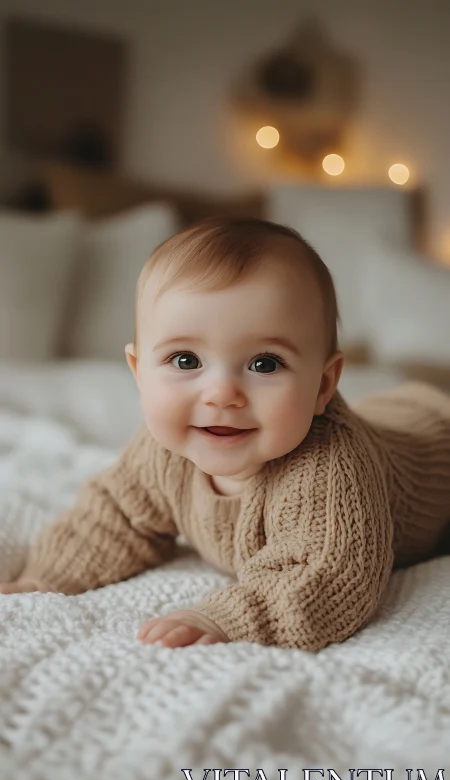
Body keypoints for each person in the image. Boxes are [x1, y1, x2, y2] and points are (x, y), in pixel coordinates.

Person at [1, 218, 450, 652]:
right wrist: (50, 574)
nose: (220, 394)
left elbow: (329, 574)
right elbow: (112, 516)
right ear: (139, 373)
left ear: (322, 385)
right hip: (389, 417)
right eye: (184, 361)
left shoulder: (330, 468)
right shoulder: (160, 451)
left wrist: (225, 617)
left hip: (434, 438)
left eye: (264, 364)